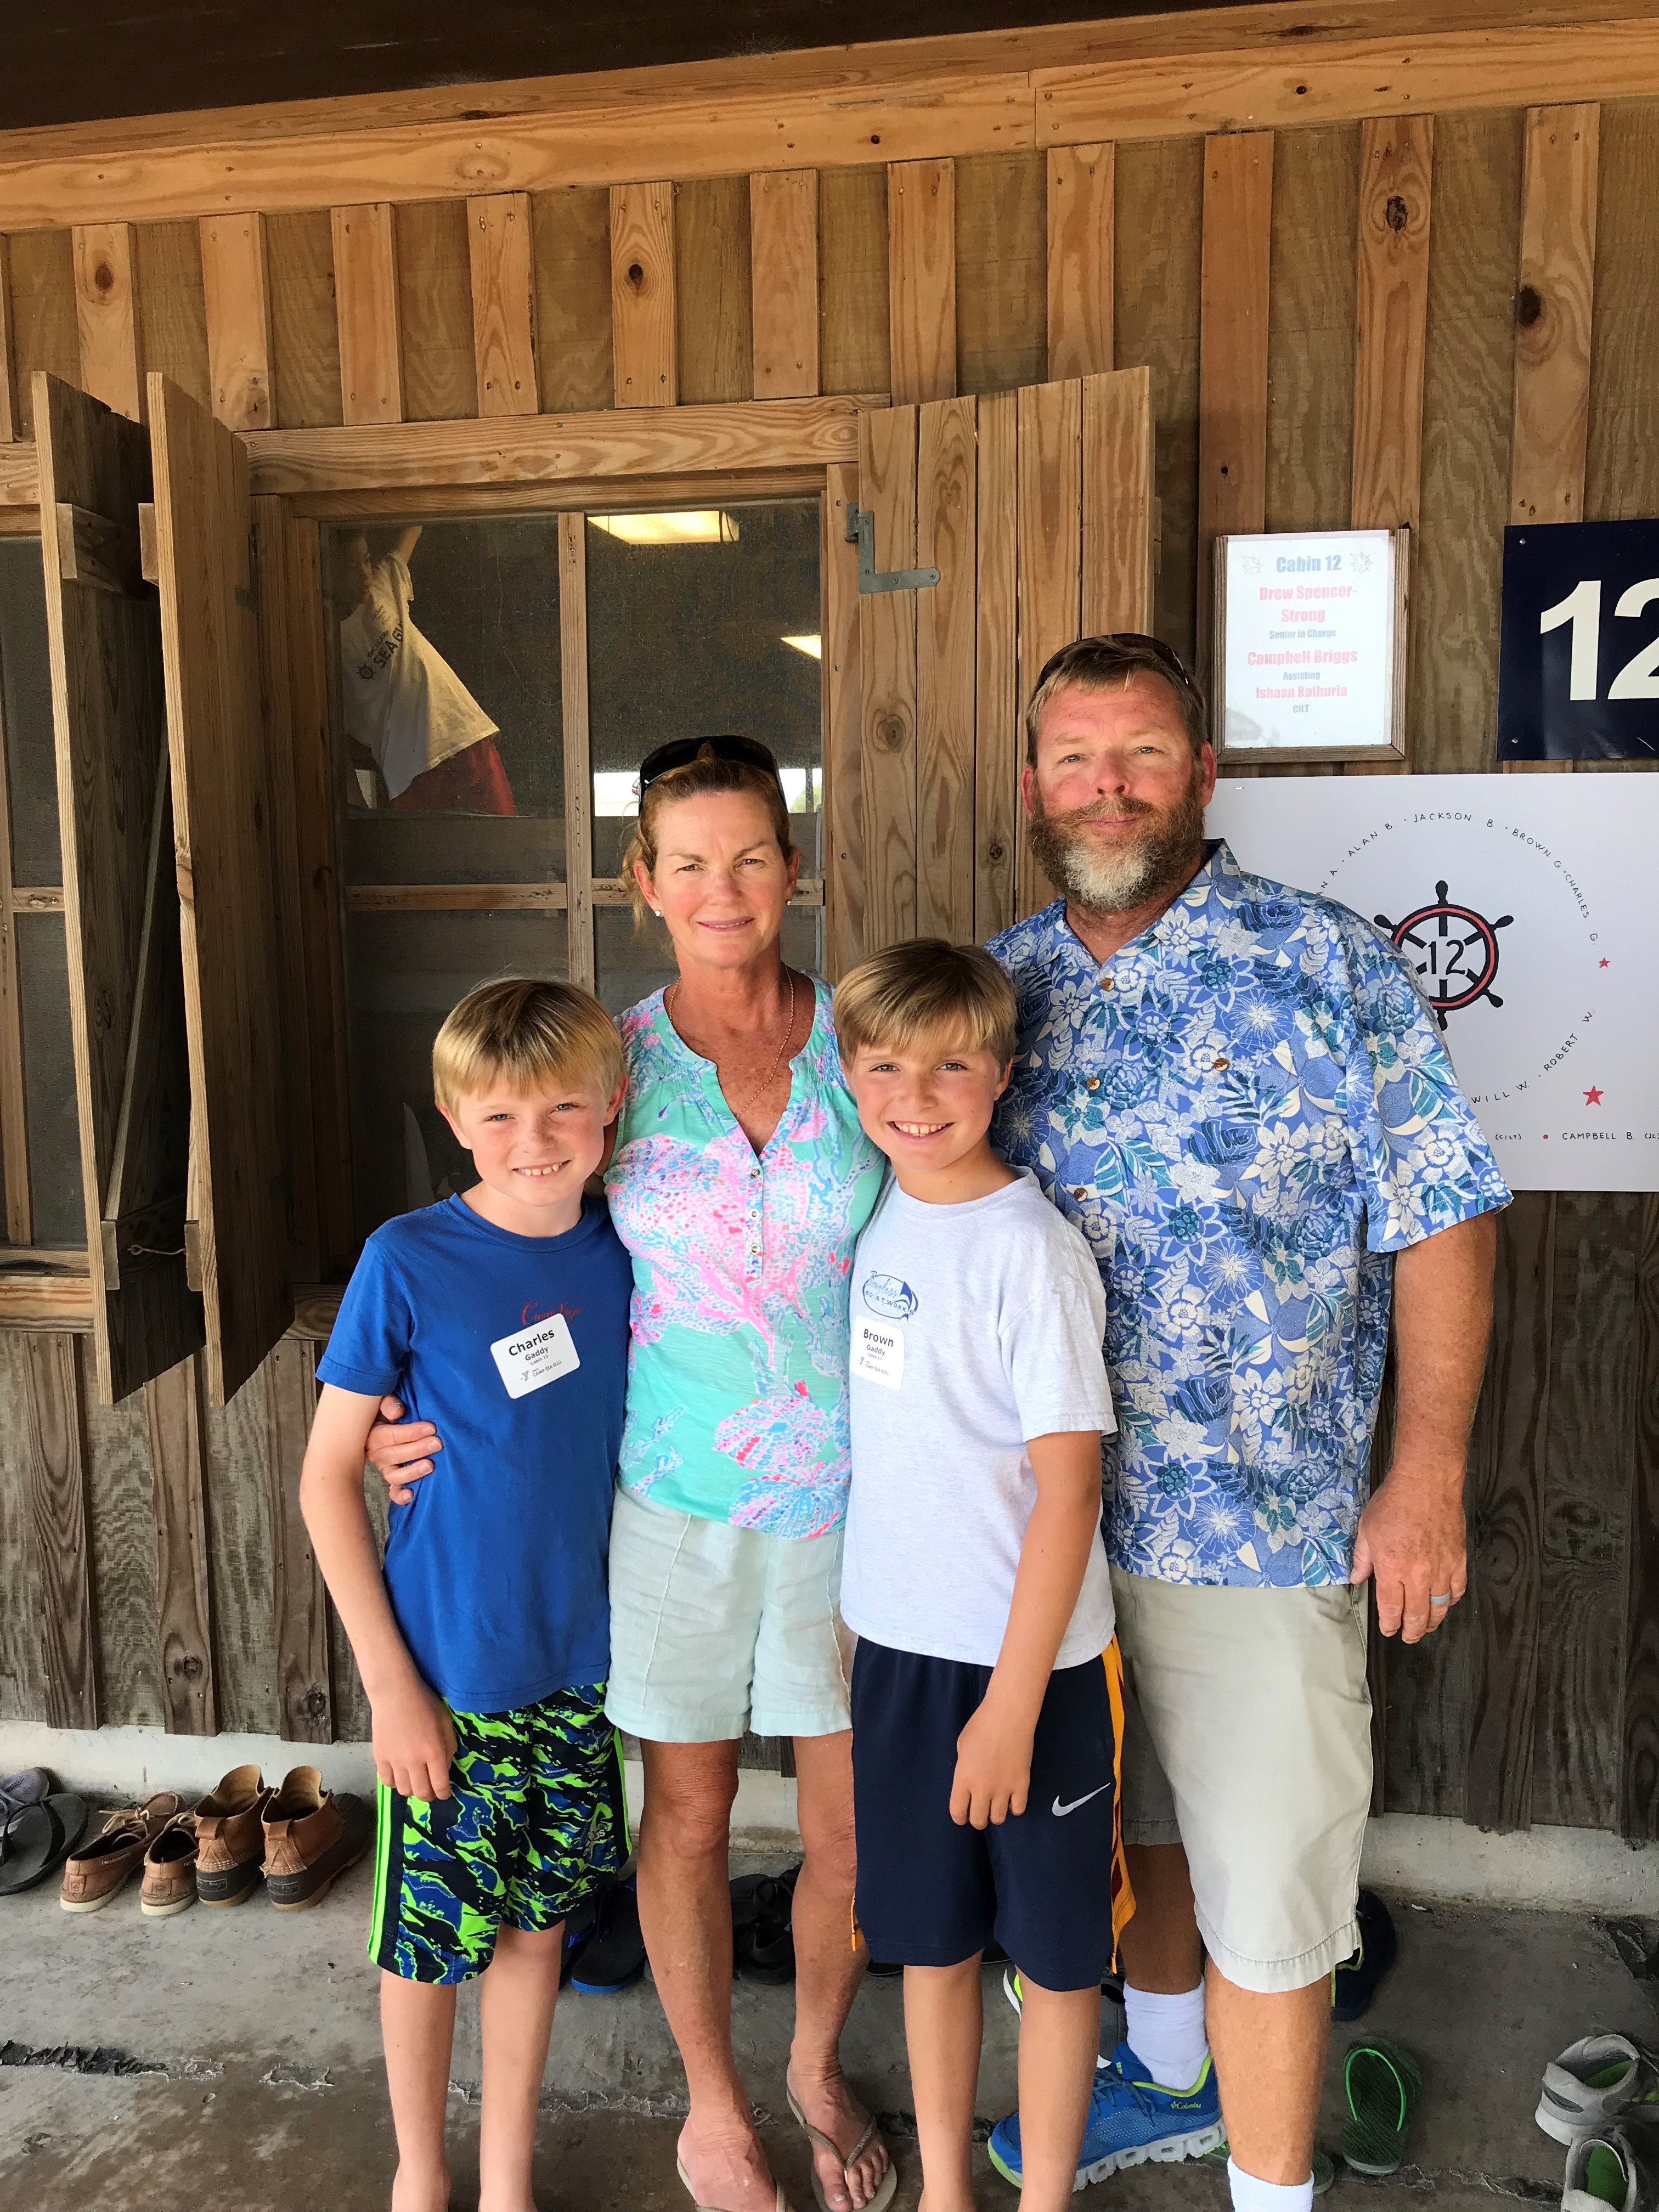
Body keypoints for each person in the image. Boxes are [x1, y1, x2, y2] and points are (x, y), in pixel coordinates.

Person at [980, 635, 1510, 2212]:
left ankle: (1273, 2194)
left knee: (1268, 1888)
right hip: (1044, 1533)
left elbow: (1446, 1220)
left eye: (1142, 753)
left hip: (1261, 1519)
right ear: (1035, 788)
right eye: (1076, 759)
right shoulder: (995, 991)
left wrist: (1425, 1477)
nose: (1109, 787)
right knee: (1124, 1834)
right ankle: (1166, 2073)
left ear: (1203, 775)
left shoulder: (1330, 965)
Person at [367, 736, 894, 2212]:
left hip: (851, 1505)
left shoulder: (864, 1045)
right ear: (643, 882)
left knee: (845, 1827)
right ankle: (714, 2106)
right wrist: (416, 1410)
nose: (721, 888)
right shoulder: (604, 1065)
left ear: (793, 867)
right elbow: (486, 1230)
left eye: (750, 855)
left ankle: (812, 2063)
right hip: (664, 1506)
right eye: (687, 861)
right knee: (689, 1818)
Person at [301, 978, 633, 2212]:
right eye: (499, 1117)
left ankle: (505, 2179)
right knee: (429, 1946)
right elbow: (329, 1478)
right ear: (452, 1117)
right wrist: (392, 1689)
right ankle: (422, 2174)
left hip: (582, 1674)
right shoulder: (411, 1259)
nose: (535, 1142)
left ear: (612, 1106)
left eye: (562, 1110)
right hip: (446, 1675)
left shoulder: (627, 1250)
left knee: (540, 1930)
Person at [834, 940, 1132, 2212]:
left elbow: (1070, 1489)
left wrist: (1011, 1706)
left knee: (1059, 1961)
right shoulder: (879, 1212)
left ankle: (1046, 2196)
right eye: (886, 1065)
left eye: (952, 1064)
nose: (917, 1092)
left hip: (1041, 1673)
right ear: (848, 1076)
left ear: (1001, 1075)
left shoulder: (1032, 1250)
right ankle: (949, 2190)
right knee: (931, 1944)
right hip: (901, 1657)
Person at [336, 523, 516, 815]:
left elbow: (413, 528)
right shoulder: (323, 642)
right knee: (435, 856)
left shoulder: (384, 585)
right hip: (408, 771)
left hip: (461, 733)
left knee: (506, 843)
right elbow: (335, 738)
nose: (363, 575)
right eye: (349, 567)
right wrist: (356, 813)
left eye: (366, 561)